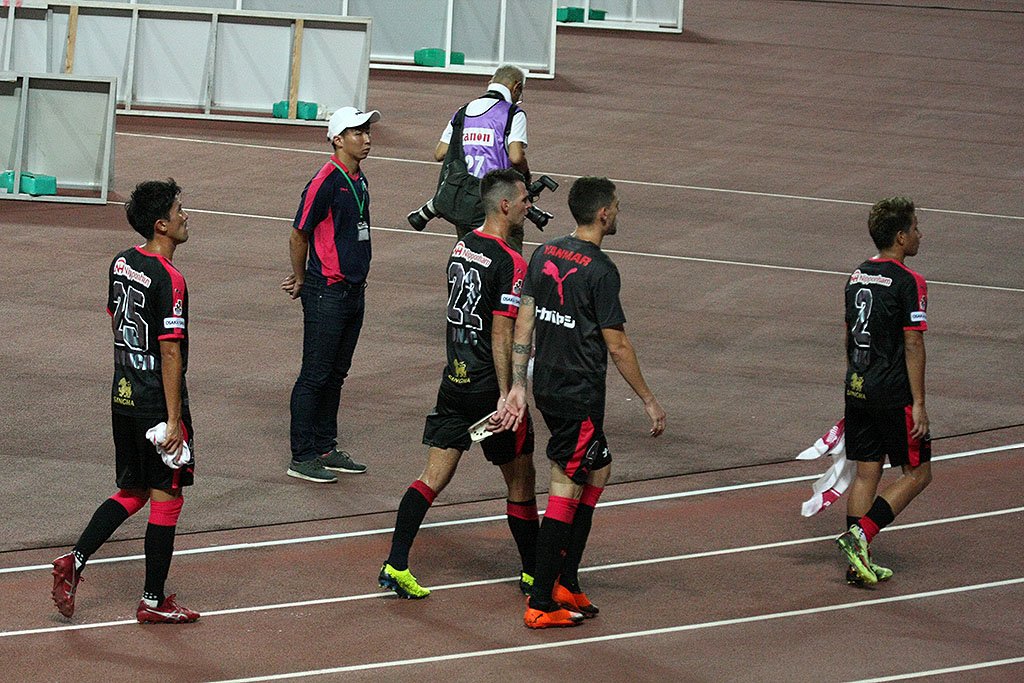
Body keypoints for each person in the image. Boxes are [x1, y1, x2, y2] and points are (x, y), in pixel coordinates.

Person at [497, 176, 666, 629]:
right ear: (603, 214)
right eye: (617, 206)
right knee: (565, 485)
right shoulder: (602, 270)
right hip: (579, 393)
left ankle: (566, 579)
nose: (618, 212)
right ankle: (541, 599)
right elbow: (618, 345)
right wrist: (649, 400)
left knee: (599, 467)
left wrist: (518, 384)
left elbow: (525, 320)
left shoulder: (545, 252)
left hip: (548, 385)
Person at [379, 169, 539, 599]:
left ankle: (396, 563)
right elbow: (502, 332)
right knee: (521, 478)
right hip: (488, 391)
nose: (529, 205)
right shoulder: (511, 262)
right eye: (524, 199)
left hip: (455, 380)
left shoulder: (462, 245)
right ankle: (533, 573)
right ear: (504, 205)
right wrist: (508, 393)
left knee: (432, 476)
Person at [50, 179, 199, 624]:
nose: (185, 216)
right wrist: (174, 420)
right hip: (156, 402)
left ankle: (75, 560)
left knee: (133, 489)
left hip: (123, 394)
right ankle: (153, 601)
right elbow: (170, 351)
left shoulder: (121, 262)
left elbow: (115, 318)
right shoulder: (170, 279)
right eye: (178, 210)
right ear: (161, 225)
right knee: (167, 496)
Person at [281, 107, 381, 483]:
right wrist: (301, 277)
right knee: (315, 375)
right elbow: (298, 233)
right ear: (337, 139)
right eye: (358, 132)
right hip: (328, 291)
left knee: (336, 374)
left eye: (367, 131)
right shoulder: (324, 181)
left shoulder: (359, 179)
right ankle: (302, 456)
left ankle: (325, 446)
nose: (366, 139)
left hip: (353, 291)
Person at [836, 197, 931, 586]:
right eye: (916, 227)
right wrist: (919, 403)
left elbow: (848, 335)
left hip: (857, 386)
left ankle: (857, 562)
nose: (920, 234)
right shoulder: (910, 281)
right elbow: (913, 344)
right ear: (901, 237)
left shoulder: (856, 276)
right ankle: (860, 536)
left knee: (866, 473)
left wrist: (856, 378)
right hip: (893, 392)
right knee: (918, 473)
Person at [406, 64, 532, 252]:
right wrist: (526, 175)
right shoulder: (513, 113)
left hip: (465, 199)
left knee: (469, 255)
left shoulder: (463, 111)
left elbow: (440, 152)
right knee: (507, 257)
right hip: (497, 201)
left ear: (491, 82)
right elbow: (515, 156)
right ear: (516, 87)